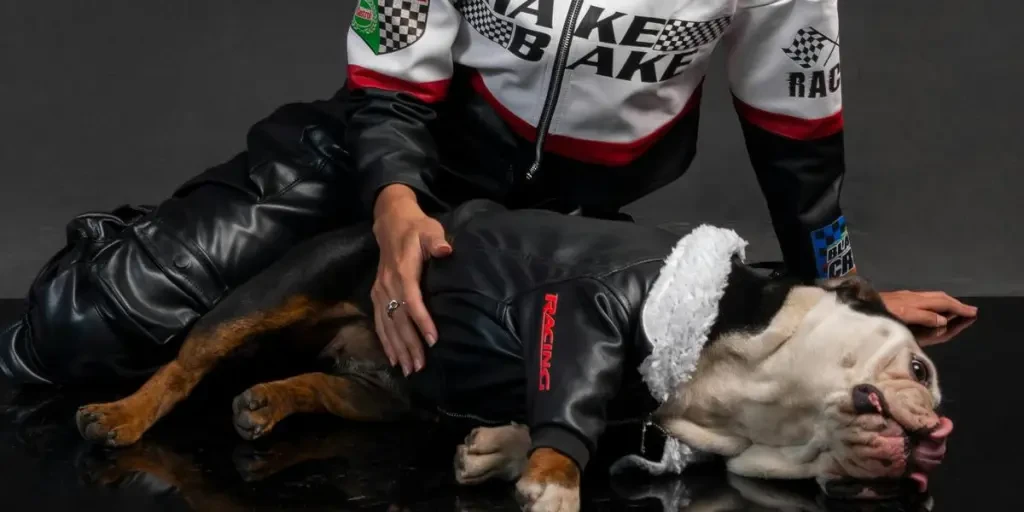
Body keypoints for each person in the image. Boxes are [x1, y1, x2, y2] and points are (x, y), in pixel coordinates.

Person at [0, 0, 975, 386]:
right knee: (79, 331)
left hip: (539, 231)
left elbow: (799, 146)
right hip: (367, 166)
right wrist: (391, 206)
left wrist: (842, 298)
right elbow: (391, 83)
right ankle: (135, 257)